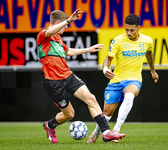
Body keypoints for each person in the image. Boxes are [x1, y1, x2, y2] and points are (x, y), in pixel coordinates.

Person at [36, 9, 125, 144]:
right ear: (58, 23)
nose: (65, 29)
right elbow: (49, 31)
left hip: (68, 76)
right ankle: (50, 125)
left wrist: (87, 49)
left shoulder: (58, 39)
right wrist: (69, 20)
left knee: (91, 98)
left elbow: (68, 51)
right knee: (69, 114)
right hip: (53, 83)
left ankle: (106, 132)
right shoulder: (43, 36)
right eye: (65, 27)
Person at [87, 14, 159, 143]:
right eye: (126, 29)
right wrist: (106, 69)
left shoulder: (147, 41)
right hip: (116, 80)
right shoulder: (118, 40)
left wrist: (153, 71)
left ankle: (116, 130)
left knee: (130, 95)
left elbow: (149, 55)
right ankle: (96, 132)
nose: (129, 33)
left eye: (132, 30)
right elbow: (108, 59)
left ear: (138, 28)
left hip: (134, 79)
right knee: (107, 114)